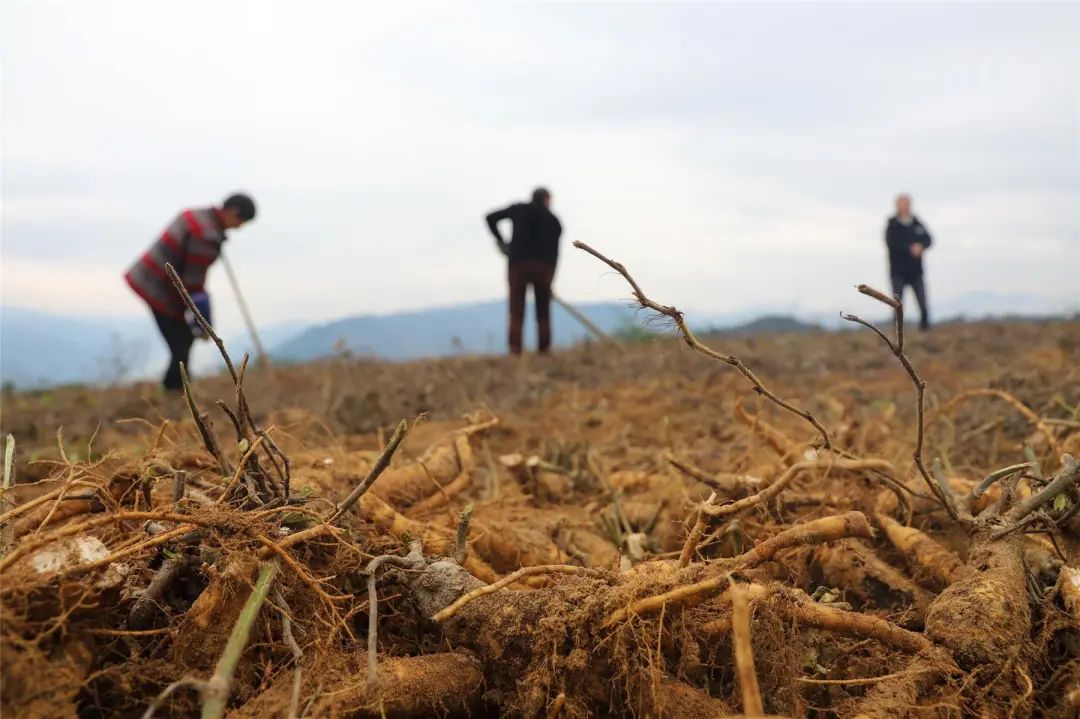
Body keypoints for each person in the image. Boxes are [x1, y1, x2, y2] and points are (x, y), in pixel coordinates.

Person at [124, 193, 257, 391]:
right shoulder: (205, 236)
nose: (239, 227)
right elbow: (191, 284)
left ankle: (177, 388)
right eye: (241, 221)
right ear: (232, 212)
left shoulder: (200, 219)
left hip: (152, 279)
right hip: (156, 287)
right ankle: (175, 391)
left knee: (183, 339)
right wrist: (202, 320)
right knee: (181, 343)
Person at [485, 187, 562, 354]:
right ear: (547, 199)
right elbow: (555, 254)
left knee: (516, 310)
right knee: (543, 312)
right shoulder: (554, 221)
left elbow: (490, 218)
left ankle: (515, 350)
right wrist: (551, 279)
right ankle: (544, 351)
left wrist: (501, 242)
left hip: (518, 266)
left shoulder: (519, 209)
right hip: (543, 269)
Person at [885, 193, 933, 330]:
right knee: (897, 304)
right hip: (898, 271)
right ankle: (897, 332)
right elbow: (892, 242)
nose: (904, 206)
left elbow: (928, 239)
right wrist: (909, 248)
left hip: (916, 271)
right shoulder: (892, 224)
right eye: (902, 204)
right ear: (897, 206)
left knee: (922, 303)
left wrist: (921, 246)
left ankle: (925, 329)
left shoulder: (917, 223)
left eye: (907, 203)